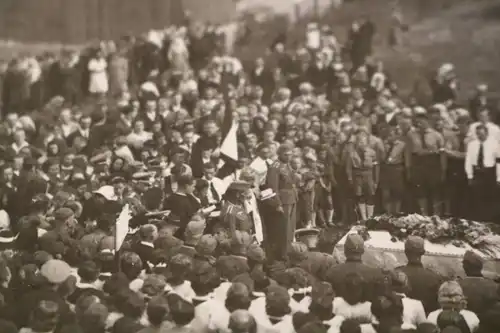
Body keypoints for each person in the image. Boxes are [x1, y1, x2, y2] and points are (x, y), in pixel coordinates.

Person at [396, 236, 443, 314]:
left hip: (400, 320)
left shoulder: (396, 273)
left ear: (405, 252)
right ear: (423, 252)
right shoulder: (435, 277)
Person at [266, 143, 299, 250]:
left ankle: (290, 250)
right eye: (285, 155)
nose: (288, 157)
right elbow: (272, 187)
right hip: (283, 201)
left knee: (291, 228)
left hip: (292, 198)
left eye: (290, 155)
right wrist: (277, 203)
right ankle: (284, 253)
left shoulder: (288, 164)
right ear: (279, 154)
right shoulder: (275, 167)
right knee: (284, 229)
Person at [465, 124, 500, 222]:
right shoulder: (472, 145)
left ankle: (491, 221)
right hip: (477, 173)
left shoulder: (495, 144)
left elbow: (498, 162)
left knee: (490, 197)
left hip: (490, 173)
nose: (480, 136)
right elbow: (468, 160)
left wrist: (499, 178)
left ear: (487, 133)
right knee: (477, 197)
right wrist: (470, 176)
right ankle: (480, 221)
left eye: (482, 134)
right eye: (478, 134)